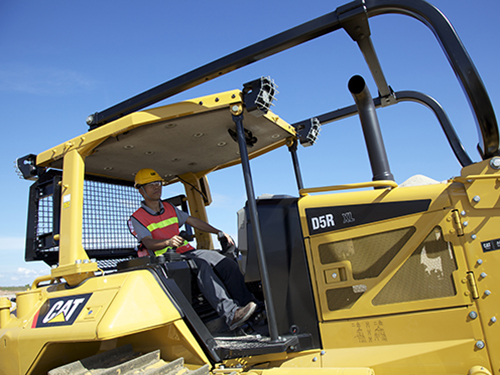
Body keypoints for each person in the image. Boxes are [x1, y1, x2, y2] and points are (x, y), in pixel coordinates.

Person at [128, 168, 256, 330]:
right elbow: (148, 243)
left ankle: (251, 306)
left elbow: (194, 221)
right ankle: (231, 315)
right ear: (141, 190)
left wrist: (217, 231)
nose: (157, 187)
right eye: (151, 185)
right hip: (167, 259)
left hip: (187, 252)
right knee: (202, 265)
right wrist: (168, 242)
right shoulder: (137, 218)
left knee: (225, 262)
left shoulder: (169, 208)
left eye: (158, 183)